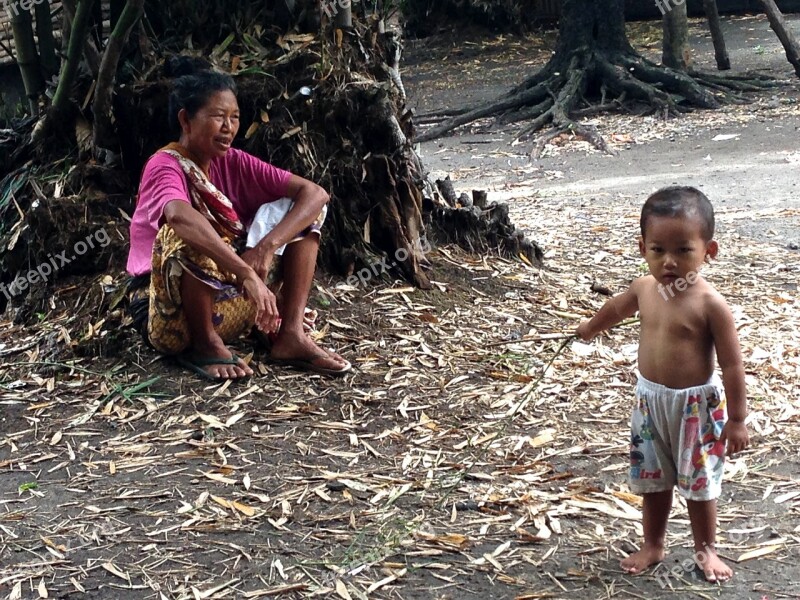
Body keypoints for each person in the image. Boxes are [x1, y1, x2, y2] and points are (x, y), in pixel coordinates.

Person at [126, 70, 351, 380]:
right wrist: (246, 273)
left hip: (236, 302)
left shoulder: (234, 161)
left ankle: (290, 333)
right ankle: (204, 344)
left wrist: (265, 248)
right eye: (218, 116)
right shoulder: (163, 165)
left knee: (302, 215)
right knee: (191, 228)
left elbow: (315, 194)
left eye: (234, 117)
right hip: (167, 314)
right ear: (185, 120)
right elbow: (178, 215)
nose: (228, 127)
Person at [576, 186, 749, 583]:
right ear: (642, 248)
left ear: (710, 251)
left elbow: (733, 365)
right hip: (650, 402)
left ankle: (707, 549)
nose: (669, 262)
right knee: (653, 479)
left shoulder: (710, 305)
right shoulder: (644, 289)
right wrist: (590, 328)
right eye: (658, 250)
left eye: (683, 250)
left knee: (699, 483)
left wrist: (737, 420)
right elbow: (616, 308)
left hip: (695, 408)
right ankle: (653, 543)